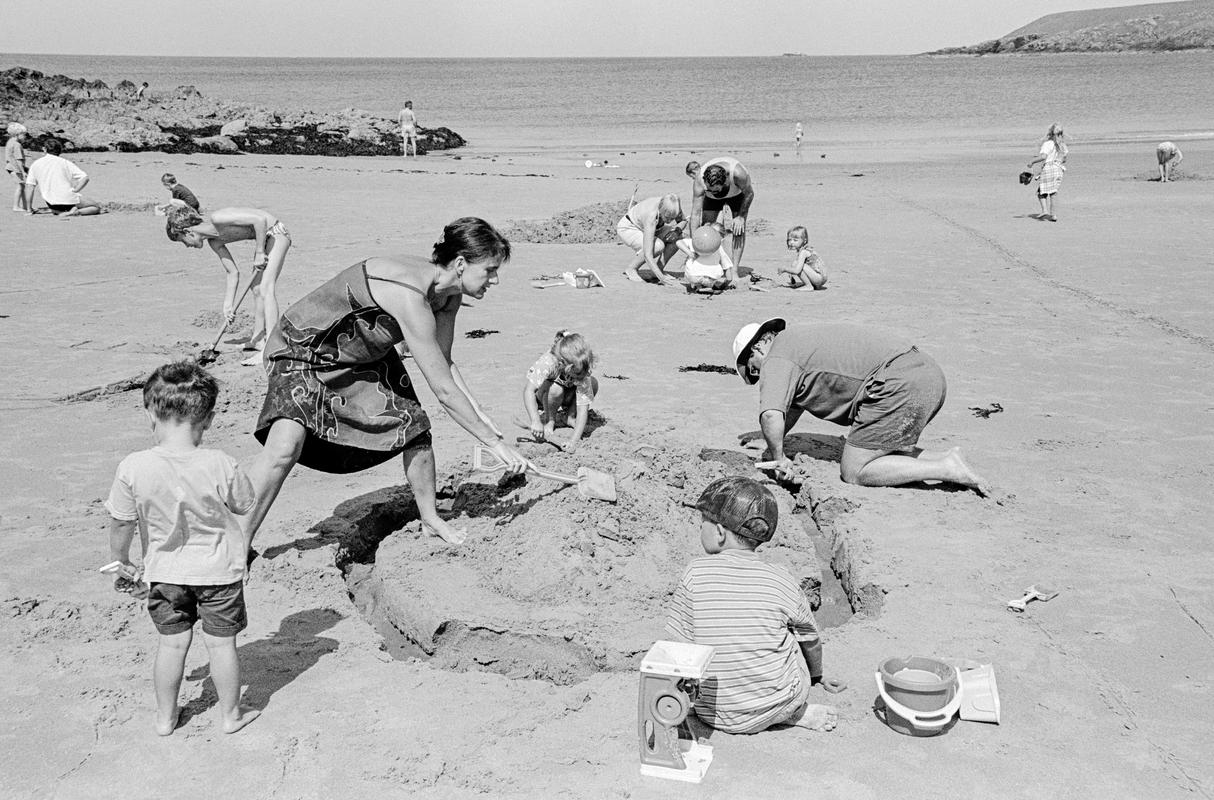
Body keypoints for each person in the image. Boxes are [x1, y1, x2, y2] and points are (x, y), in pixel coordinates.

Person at [242, 218, 528, 548]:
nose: (494, 279)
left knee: (414, 427)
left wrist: (481, 415)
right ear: (461, 264)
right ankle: (237, 543)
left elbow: (444, 363)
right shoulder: (411, 296)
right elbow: (443, 389)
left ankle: (431, 519)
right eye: (490, 270)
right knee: (284, 448)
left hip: (362, 355)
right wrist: (492, 442)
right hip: (303, 349)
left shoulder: (447, 296)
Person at [104, 361, 260, 736]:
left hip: (165, 573)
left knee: (172, 646)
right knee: (222, 647)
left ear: (149, 413)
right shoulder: (220, 462)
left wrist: (121, 560)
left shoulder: (133, 466)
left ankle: (165, 717)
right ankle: (230, 716)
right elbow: (245, 504)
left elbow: (122, 522)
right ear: (208, 419)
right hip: (219, 572)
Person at [665, 476, 840, 734]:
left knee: (696, 632)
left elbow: (678, 645)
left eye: (703, 522)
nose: (699, 528)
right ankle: (792, 713)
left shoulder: (694, 573)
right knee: (794, 631)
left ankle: (755, 707)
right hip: (777, 704)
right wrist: (816, 675)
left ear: (721, 533)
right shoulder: (780, 577)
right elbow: (811, 638)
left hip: (711, 713)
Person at [732, 319, 989, 494]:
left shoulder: (776, 355)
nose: (759, 378)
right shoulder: (797, 343)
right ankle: (947, 458)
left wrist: (779, 459)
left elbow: (771, 415)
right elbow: (790, 407)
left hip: (898, 383)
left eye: (754, 371)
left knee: (855, 470)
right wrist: (773, 446)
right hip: (926, 374)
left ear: (758, 346)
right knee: (877, 453)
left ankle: (945, 469)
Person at [165, 205, 290, 366]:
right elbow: (232, 272)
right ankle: (257, 339)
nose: (187, 246)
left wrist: (260, 252)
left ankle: (271, 348)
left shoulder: (218, 218)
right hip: (265, 239)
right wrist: (228, 304)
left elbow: (259, 220)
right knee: (256, 288)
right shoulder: (214, 242)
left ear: (188, 232)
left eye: (183, 241)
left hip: (276, 233)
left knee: (266, 287)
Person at [523, 330, 598, 453]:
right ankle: (549, 420)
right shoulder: (548, 362)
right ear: (563, 364)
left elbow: (583, 409)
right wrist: (535, 421)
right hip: (546, 396)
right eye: (577, 374)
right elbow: (528, 391)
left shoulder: (580, 368)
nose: (580, 376)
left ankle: (570, 417)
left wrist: (573, 441)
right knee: (556, 389)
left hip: (568, 393)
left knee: (592, 383)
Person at [685, 156, 755, 267]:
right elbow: (695, 214)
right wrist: (694, 243)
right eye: (709, 189)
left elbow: (750, 193)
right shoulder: (699, 180)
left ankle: (734, 269)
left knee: (738, 230)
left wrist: (741, 217)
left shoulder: (738, 173)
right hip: (711, 201)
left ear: (725, 181)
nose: (714, 192)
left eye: (716, 190)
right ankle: (707, 264)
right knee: (707, 229)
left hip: (736, 196)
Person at [617, 193, 687, 285]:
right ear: (661, 209)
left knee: (678, 237)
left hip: (655, 227)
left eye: (672, 218)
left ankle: (658, 269)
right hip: (629, 228)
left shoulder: (674, 206)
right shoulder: (651, 215)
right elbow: (647, 254)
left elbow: (683, 220)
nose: (669, 221)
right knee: (658, 246)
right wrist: (662, 278)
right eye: (667, 217)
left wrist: (677, 231)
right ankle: (632, 269)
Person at [23, 139, 103, 217]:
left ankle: (59, 211)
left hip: (50, 202)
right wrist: (76, 190)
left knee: (61, 206)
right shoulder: (64, 162)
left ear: (44, 149)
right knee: (95, 207)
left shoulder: (36, 164)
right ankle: (74, 212)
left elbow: (30, 187)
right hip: (68, 199)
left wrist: (29, 209)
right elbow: (85, 178)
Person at [1025, 122, 1067, 222]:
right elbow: (1064, 159)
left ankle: (1044, 210)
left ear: (1050, 133)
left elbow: (1043, 156)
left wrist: (1032, 161)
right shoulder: (1062, 145)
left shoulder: (1048, 144)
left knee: (1041, 192)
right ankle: (1054, 215)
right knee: (1053, 193)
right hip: (1058, 169)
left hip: (1048, 168)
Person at [677, 224, 736, 293]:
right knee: (714, 271)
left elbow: (678, 242)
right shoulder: (719, 248)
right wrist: (722, 286)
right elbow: (729, 275)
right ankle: (706, 286)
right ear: (721, 238)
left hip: (693, 276)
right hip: (711, 279)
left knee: (690, 262)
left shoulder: (696, 242)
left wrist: (690, 253)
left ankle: (695, 285)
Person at [781, 226, 827, 290]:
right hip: (820, 277)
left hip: (818, 278)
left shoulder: (804, 252)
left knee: (796, 264)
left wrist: (785, 269)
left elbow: (797, 270)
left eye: (795, 240)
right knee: (795, 263)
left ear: (804, 240)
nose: (791, 242)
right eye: (789, 240)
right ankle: (813, 284)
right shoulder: (805, 249)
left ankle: (808, 286)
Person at [6, 122, 29, 212]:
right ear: (17, 134)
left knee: (22, 186)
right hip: (15, 168)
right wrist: (23, 171)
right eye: (24, 135)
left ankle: (25, 206)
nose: (25, 137)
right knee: (20, 186)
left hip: (10, 166)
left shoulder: (10, 142)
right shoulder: (17, 145)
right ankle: (16, 206)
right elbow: (19, 159)